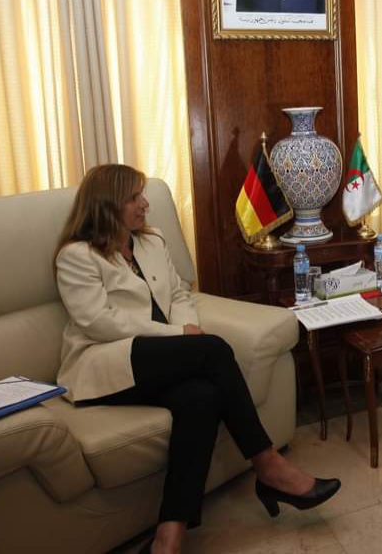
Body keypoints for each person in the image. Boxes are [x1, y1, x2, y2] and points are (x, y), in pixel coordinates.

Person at [54, 164, 339, 554]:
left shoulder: (151, 241)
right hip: (107, 363)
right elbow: (98, 322)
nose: (145, 204)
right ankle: (268, 466)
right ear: (109, 204)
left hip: (161, 358)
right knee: (213, 350)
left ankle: (168, 536)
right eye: (135, 197)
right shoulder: (77, 256)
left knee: (201, 397)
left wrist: (185, 332)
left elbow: (179, 295)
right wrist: (180, 338)